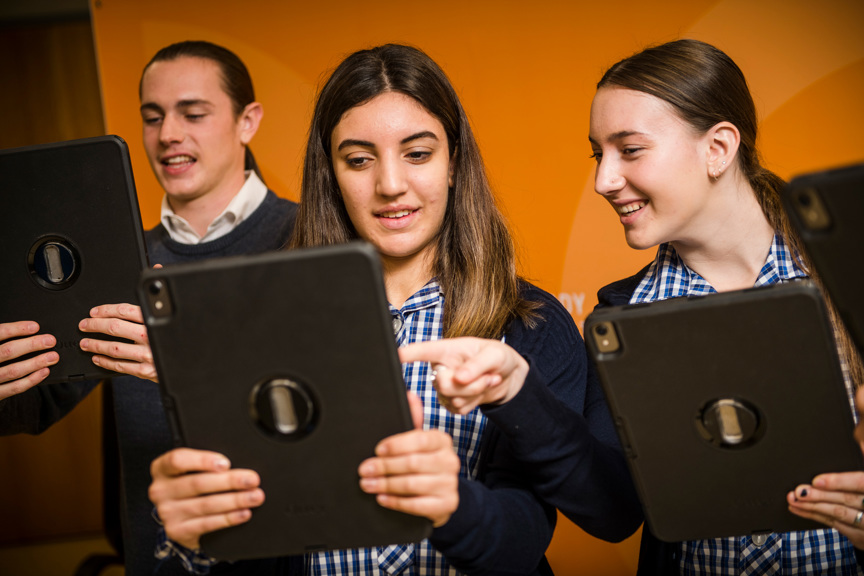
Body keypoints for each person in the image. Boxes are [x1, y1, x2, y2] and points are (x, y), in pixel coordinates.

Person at [147, 43, 641, 576]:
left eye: (418, 153)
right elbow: (254, 527)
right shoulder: (262, 320)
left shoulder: (529, 324)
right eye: (358, 160)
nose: (389, 185)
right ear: (331, 174)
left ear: (454, 162)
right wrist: (198, 539)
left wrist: (449, 503)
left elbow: (524, 539)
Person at [402, 39, 864, 574]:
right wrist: (515, 391)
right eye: (600, 153)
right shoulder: (622, 315)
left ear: (718, 148)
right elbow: (613, 509)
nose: (604, 180)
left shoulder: (847, 276)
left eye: (631, 149)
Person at [0, 40, 298, 576]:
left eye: (193, 113)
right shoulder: (118, 262)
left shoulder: (313, 242)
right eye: (153, 117)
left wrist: (195, 366)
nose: (169, 135)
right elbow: (33, 400)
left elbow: (329, 420)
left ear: (247, 120)